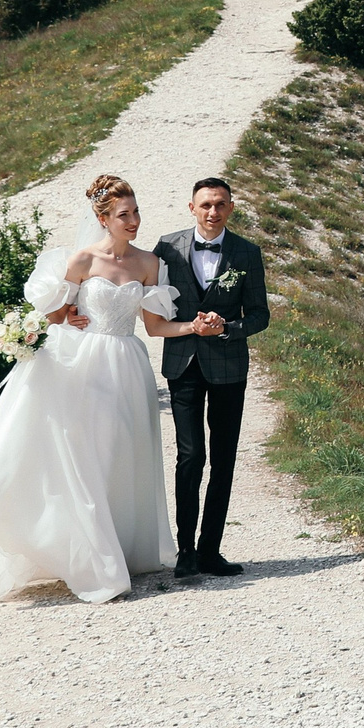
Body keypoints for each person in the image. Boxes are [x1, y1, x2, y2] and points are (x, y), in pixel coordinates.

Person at [0, 174, 197, 604]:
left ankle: (117, 547)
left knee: (120, 458)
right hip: (85, 368)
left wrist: (195, 326)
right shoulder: (82, 260)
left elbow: (155, 327)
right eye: (124, 215)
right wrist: (61, 319)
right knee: (85, 459)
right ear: (103, 219)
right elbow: (52, 314)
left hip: (129, 367)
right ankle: (93, 561)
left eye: (136, 212)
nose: (134, 221)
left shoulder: (149, 264)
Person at [152, 177, 270, 578]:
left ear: (231, 208)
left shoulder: (246, 252)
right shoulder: (166, 248)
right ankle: (185, 553)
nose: (212, 212)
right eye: (205, 205)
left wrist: (227, 327)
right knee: (191, 457)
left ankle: (210, 551)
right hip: (183, 364)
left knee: (223, 459)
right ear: (191, 207)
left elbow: (260, 314)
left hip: (229, 368)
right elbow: (142, 292)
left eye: (220, 204)